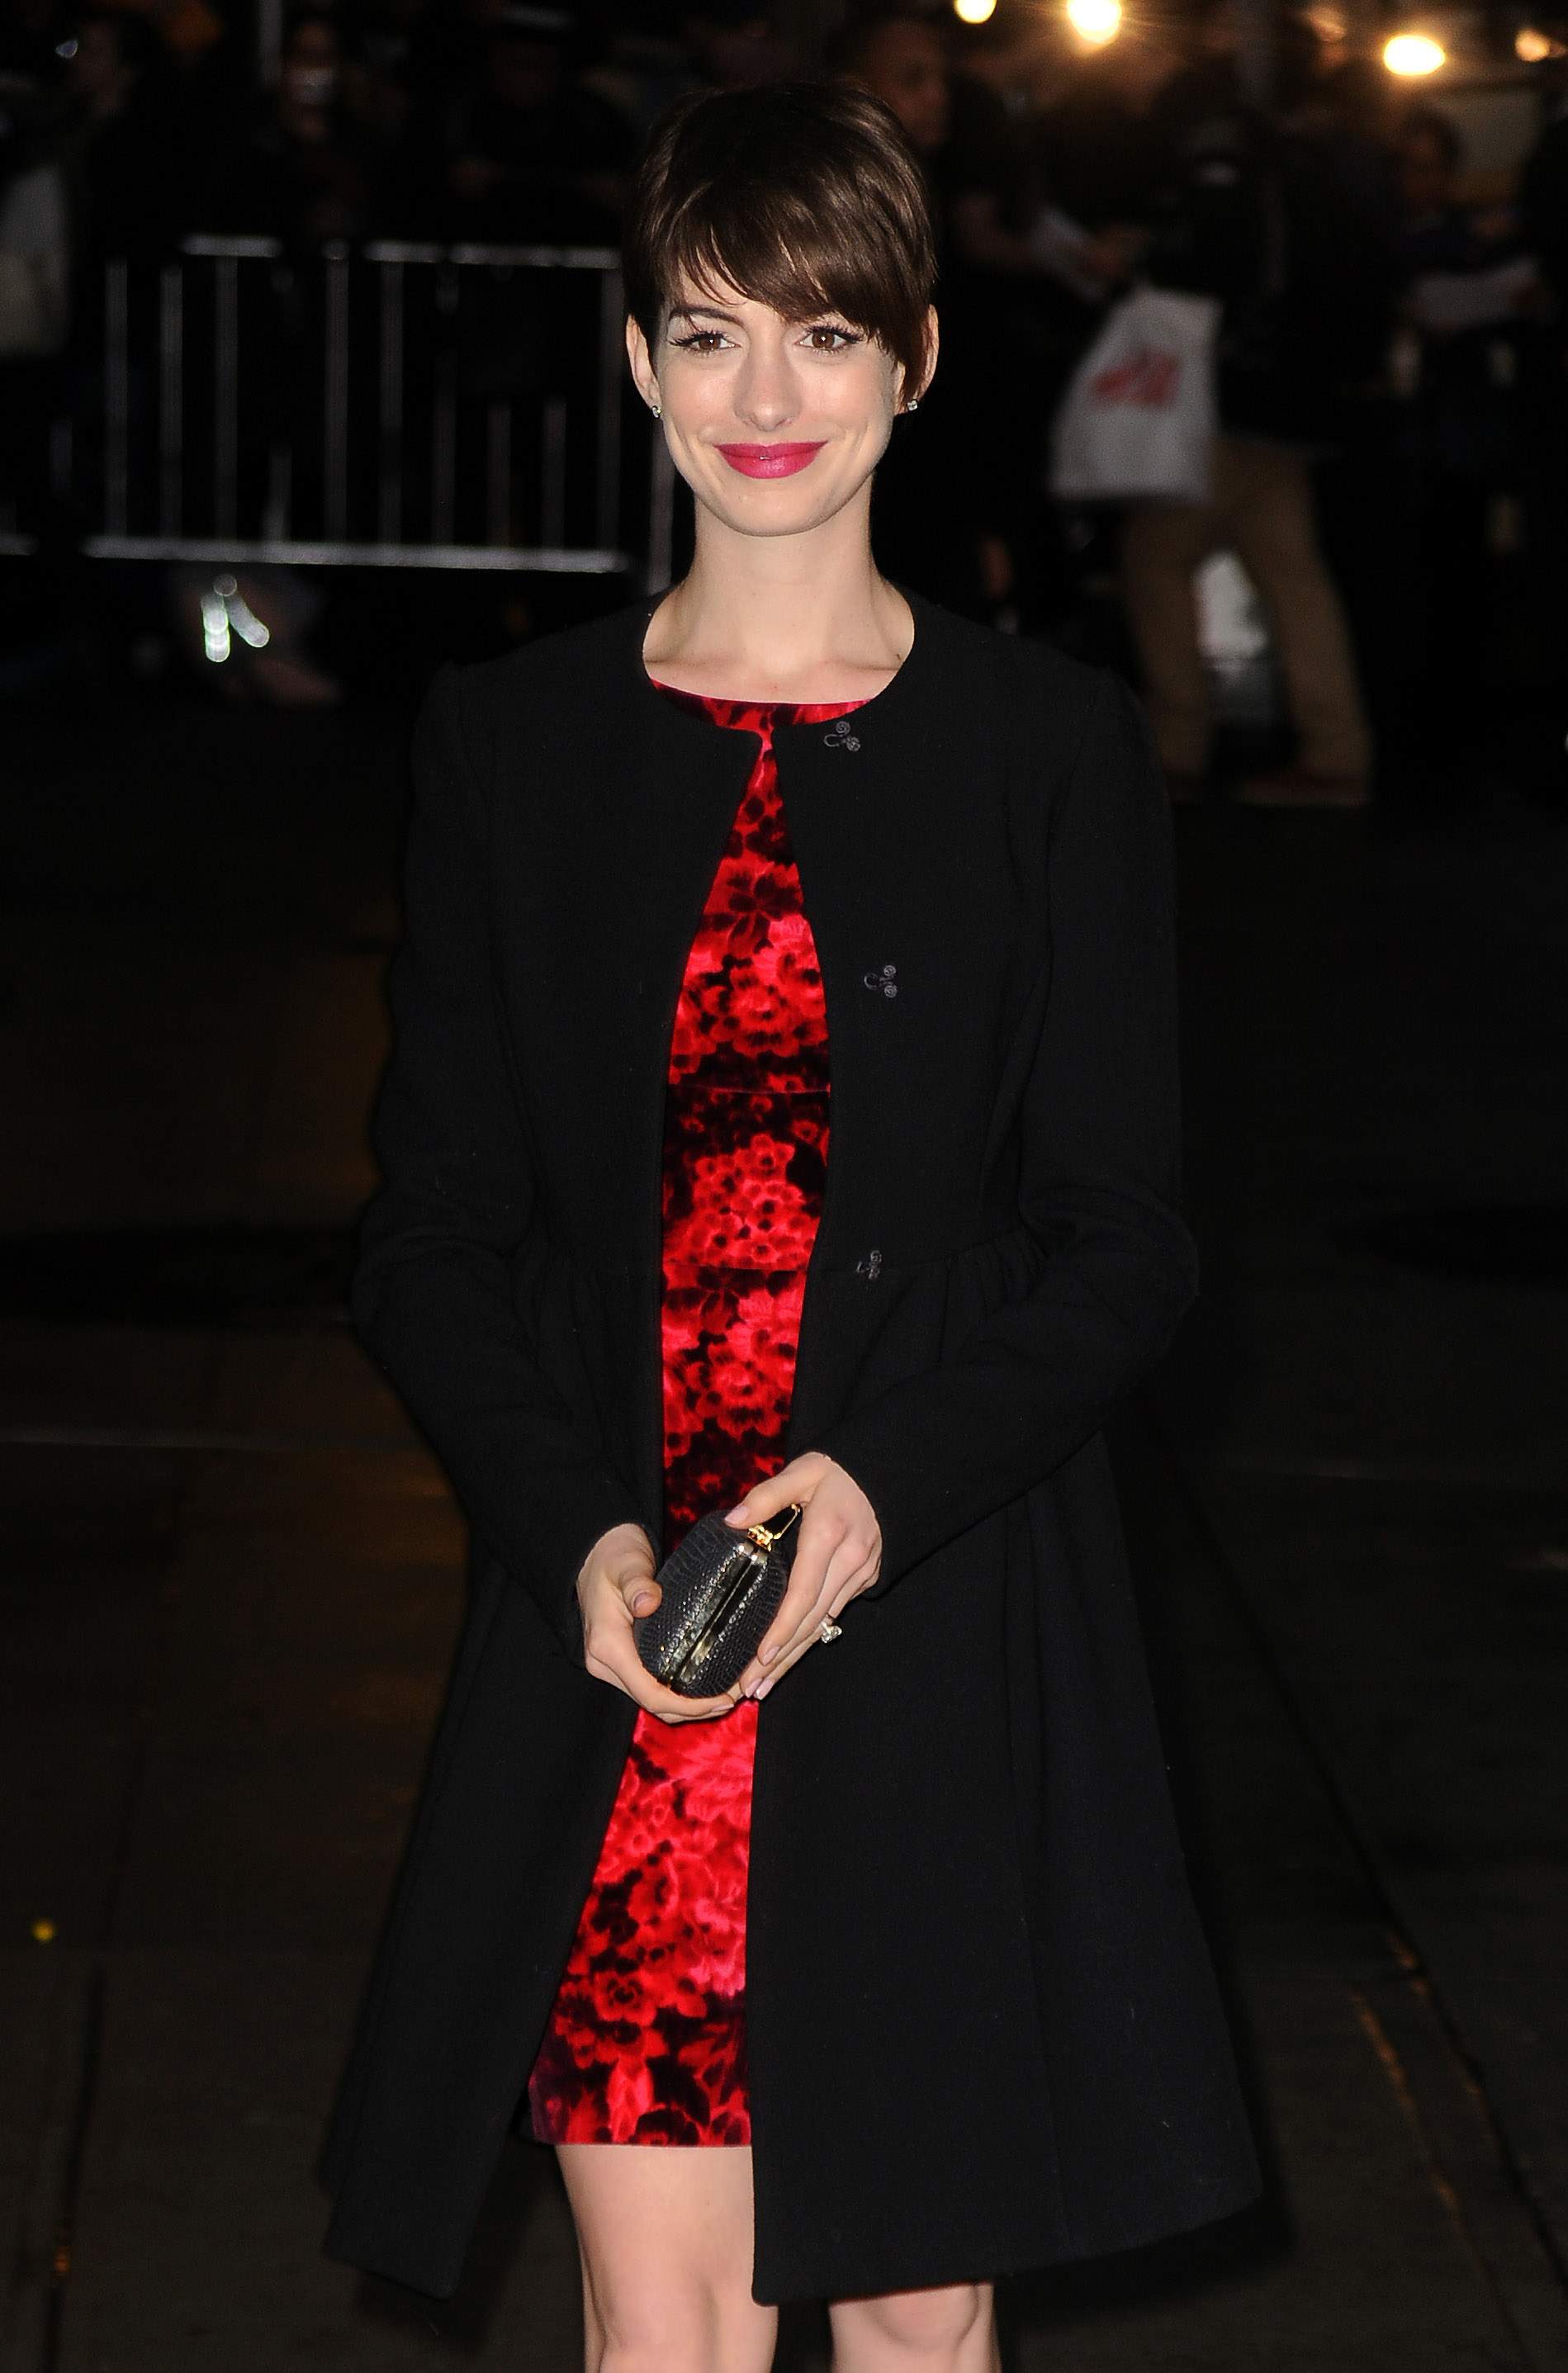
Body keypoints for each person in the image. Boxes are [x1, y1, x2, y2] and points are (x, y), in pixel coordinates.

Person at [320, 76, 1262, 2371]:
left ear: (915, 361)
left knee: (918, 2319)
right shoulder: (516, 745)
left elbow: (1122, 1233)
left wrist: (878, 1483)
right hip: (628, 1648)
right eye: (713, 333)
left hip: (931, 1614)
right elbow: (427, 1229)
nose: (767, 397)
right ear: (635, 358)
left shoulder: (1043, 749)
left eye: (824, 336)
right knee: (665, 2331)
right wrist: (576, 1540)